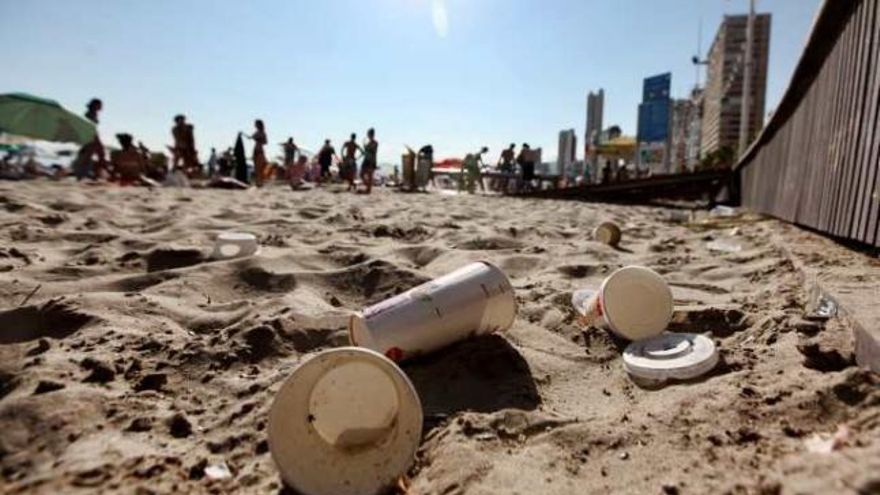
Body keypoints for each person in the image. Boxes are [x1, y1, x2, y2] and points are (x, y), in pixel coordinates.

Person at [72, 98, 106, 180]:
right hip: (91, 137)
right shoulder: (90, 114)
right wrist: (97, 139)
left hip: (89, 137)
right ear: (96, 105)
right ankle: (93, 175)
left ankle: (91, 174)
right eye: (100, 105)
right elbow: (91, 128)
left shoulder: (91, 114)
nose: (102, 107)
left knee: (91, 155)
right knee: (97, 155)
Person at [249, 120, 268, 186]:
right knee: (256, 168)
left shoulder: (263, 133)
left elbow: (265, 142)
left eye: (256, 124)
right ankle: (257, 182)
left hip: (260, 151)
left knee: (260, 168)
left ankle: (260, 182)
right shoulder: (256, 132)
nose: (255, 125)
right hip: (255, 150)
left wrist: (259, 139)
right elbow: (251, 137)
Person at [360, 128, 378, 194]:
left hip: (371, 160)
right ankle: (368, 187)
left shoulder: (375, 142)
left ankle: (368, 189)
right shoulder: (369, 142)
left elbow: (372, 151)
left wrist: (366, 148)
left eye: (368, 134)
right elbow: (366, 151)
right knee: (362, 174)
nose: (367, 135)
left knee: (370, 175)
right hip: (366, 159)